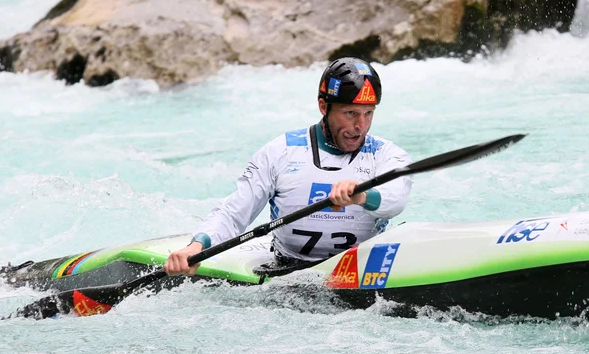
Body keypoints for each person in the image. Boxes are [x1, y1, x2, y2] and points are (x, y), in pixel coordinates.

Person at [165, 57, 413, 276]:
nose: (361, 125)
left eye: (368, 113)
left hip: (360, 270)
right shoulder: (280, 152)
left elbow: (396, 201)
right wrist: (198, 245)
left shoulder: (386, 154)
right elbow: (233, 212)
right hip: (289, 272)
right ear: (323, 107)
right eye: (350, 113)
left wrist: (361, 195)